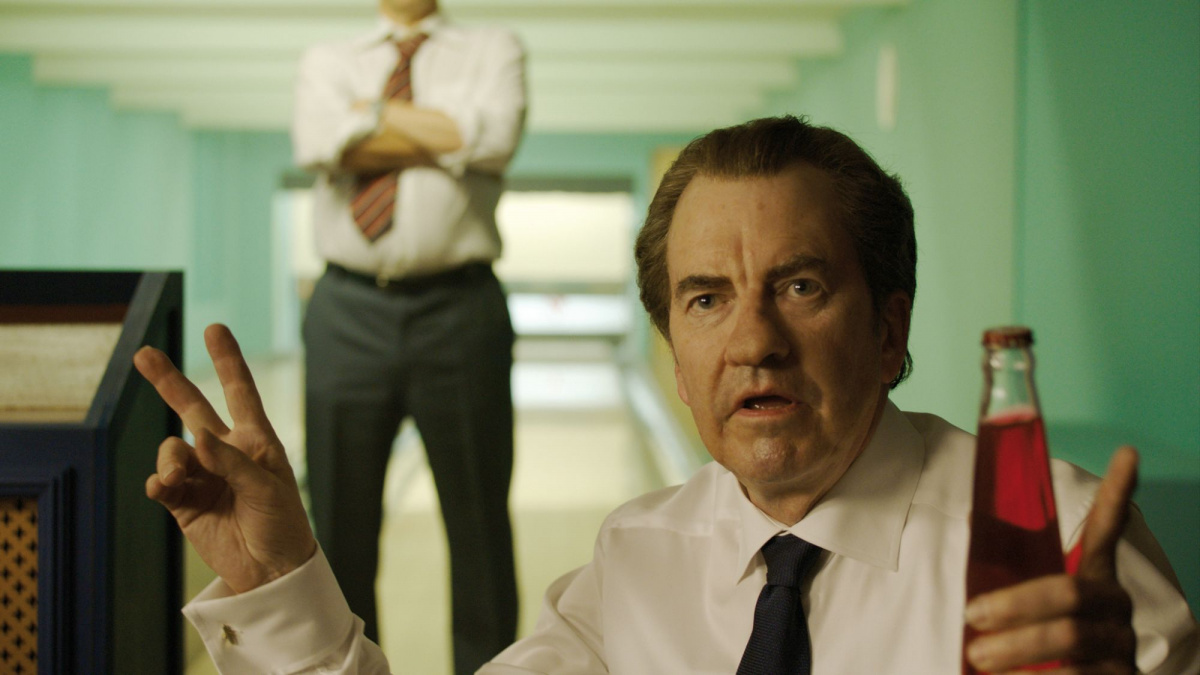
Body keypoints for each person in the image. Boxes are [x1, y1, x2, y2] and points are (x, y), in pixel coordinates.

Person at [135, 116, 1199, 673]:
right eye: (706, 299)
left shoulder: (1050, 540)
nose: (754, 341)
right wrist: (283, 583)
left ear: (889, 330)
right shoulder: (635, 560)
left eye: (800, 286)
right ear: (675, 361)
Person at [290, 0, 525, 669]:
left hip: (461, 310)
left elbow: (496, 140)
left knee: (479, 525)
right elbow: (315, 146)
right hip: (346, 310)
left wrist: (366, 115)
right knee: (338, 525)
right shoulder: (327, 60)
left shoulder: (494, 48)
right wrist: (447, 136)